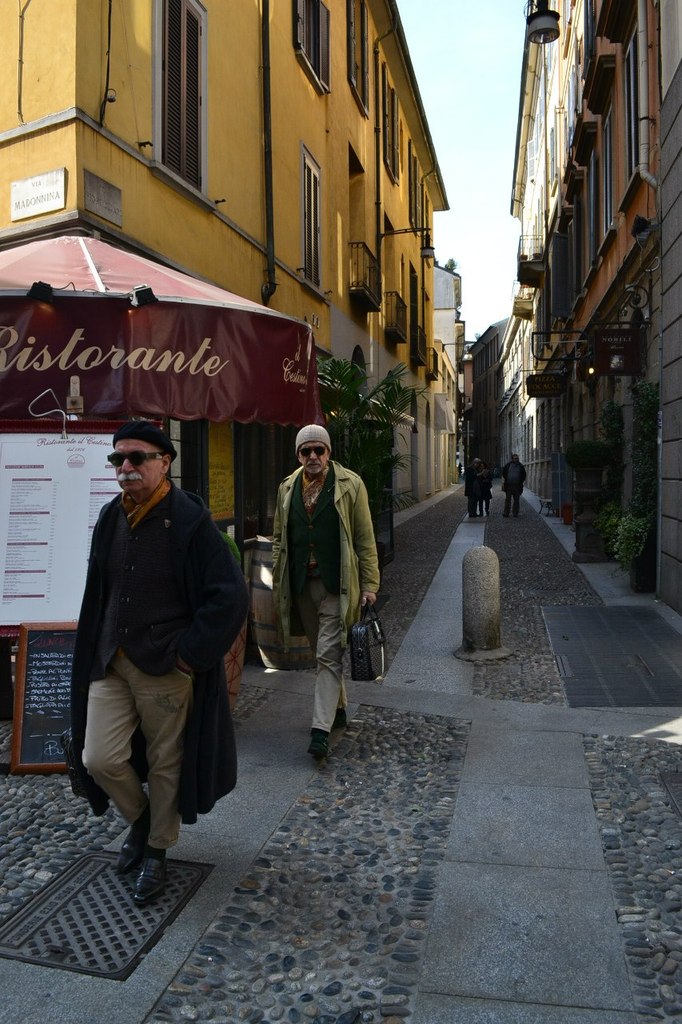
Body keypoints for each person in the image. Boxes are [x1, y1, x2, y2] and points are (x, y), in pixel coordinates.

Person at [69, 421, 248, 905]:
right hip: (109, 660)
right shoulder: (110, 516)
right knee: (99, 758)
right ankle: (144, 819)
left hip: (165, 665)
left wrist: (189, 655)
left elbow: (229, 596)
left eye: (137, 458)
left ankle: (157, 850)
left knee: (168, 764)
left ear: (165, 462)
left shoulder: (188, 519)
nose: (125, 467)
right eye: (117, 460)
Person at [272, 425, 380, 760]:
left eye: (319, 450)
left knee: (327, 656)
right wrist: (278, 575)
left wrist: (370, 584)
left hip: (338, 584)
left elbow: (364, 537)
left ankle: (320, 730)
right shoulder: (287, 488)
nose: (313, 457)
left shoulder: (351, 484)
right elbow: (279, 537)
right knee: (324, 654)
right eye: (306, 452)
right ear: (298, 455)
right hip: (303, 585)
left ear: (329, 452)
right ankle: (340, 708)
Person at [502, 453, 527, 518]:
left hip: (517, 486)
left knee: (516, 500)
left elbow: (524, 475)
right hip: (509, 485)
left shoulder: (520, 466)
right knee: (508, 500)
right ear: (512, 459)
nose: (516, 459)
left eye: (517, 458)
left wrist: (520, 481)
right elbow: (504, 473)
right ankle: (506, 512)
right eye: (515, 458)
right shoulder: (508, 465)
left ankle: (515, 513)